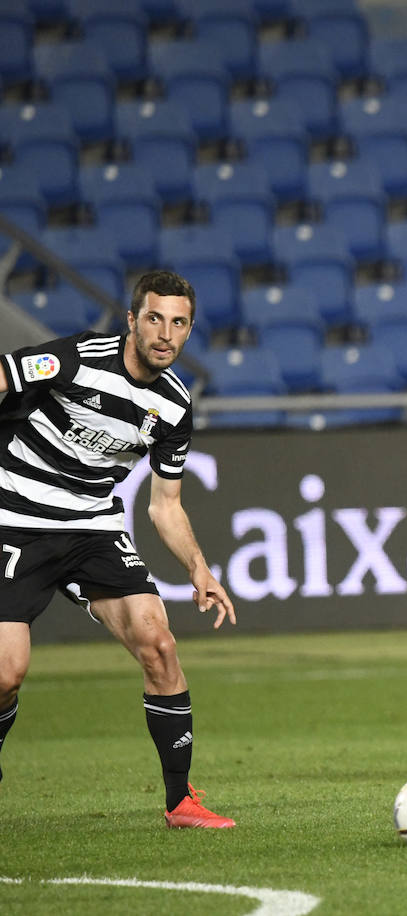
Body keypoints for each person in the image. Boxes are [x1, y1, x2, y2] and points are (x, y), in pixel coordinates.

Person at [0, 270, 237, 828]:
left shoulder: (174, 406)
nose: (165, 334)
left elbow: (165, 506)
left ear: (189, 330)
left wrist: (199, 568)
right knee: (7, 674)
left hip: (92, 527)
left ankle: (180, 802)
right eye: (154, 318)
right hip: (16, 518)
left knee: (159, 644)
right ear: (132, 320)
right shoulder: (78, 358)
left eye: (178, 323)